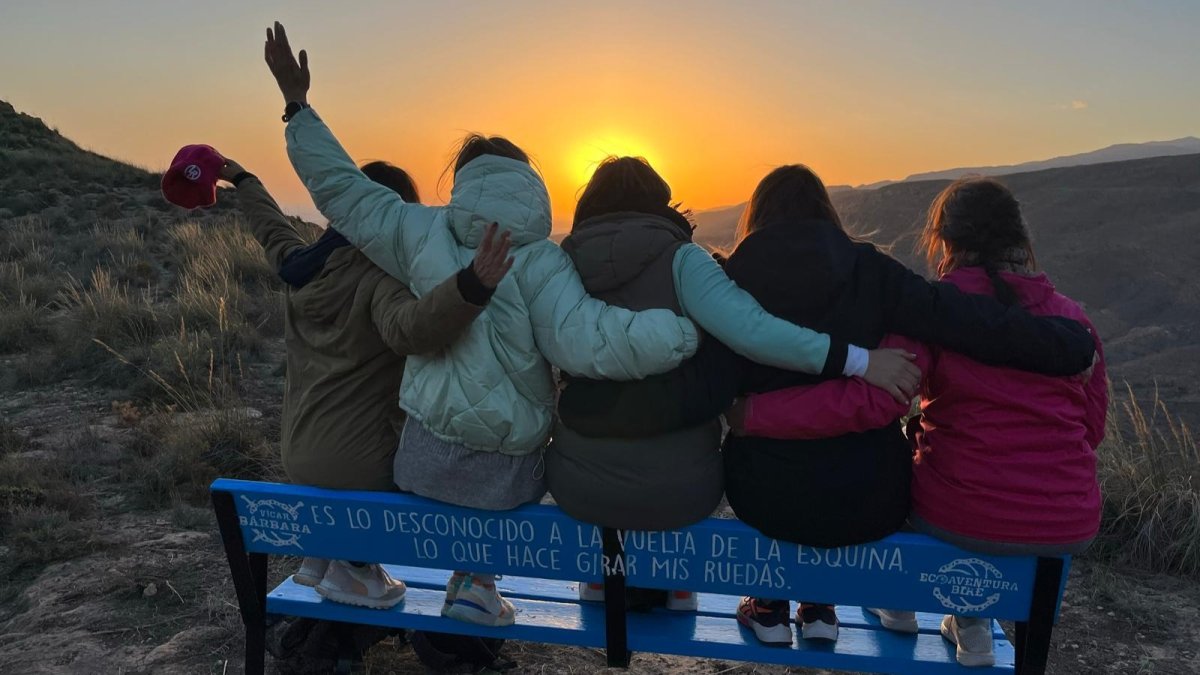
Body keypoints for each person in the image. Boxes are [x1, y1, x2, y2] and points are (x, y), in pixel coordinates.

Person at [264, 23, 702, 627]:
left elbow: (345, 192)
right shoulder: (544, 257)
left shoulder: (420, 231)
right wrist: (678, 333)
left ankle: (355, 562)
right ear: (528, 184)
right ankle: (475, 580)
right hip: (508, 475)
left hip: (421, 462)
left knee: (408, 448)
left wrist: (297, 105)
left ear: (463, 181)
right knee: (519, 463)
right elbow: (589, 340)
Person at [712, 165, 1096, 646]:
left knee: (781, 477)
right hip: (868, 500)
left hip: (760, 496)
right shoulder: (870, 270)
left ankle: (771, 604)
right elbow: (960, 317)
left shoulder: (724, 282)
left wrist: (749, 415)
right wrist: (1068, 343)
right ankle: (818, 603)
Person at [550, 157, 918, 610]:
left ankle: (619, 583)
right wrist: (856, 361)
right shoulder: (687, 263)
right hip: (698, 492)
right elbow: (748, 339)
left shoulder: (559, 265)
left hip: (577, 485)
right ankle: (736, 593)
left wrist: (578, 409)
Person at [219, 156, 507, 611]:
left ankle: (324, 552)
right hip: (361, 468)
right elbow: (409, 329)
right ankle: (359, 568)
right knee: (451, 466)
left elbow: (271, 230)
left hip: (297, 454)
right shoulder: (379, 277)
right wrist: (471, 286)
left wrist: (243, 179)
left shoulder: (306, 266)